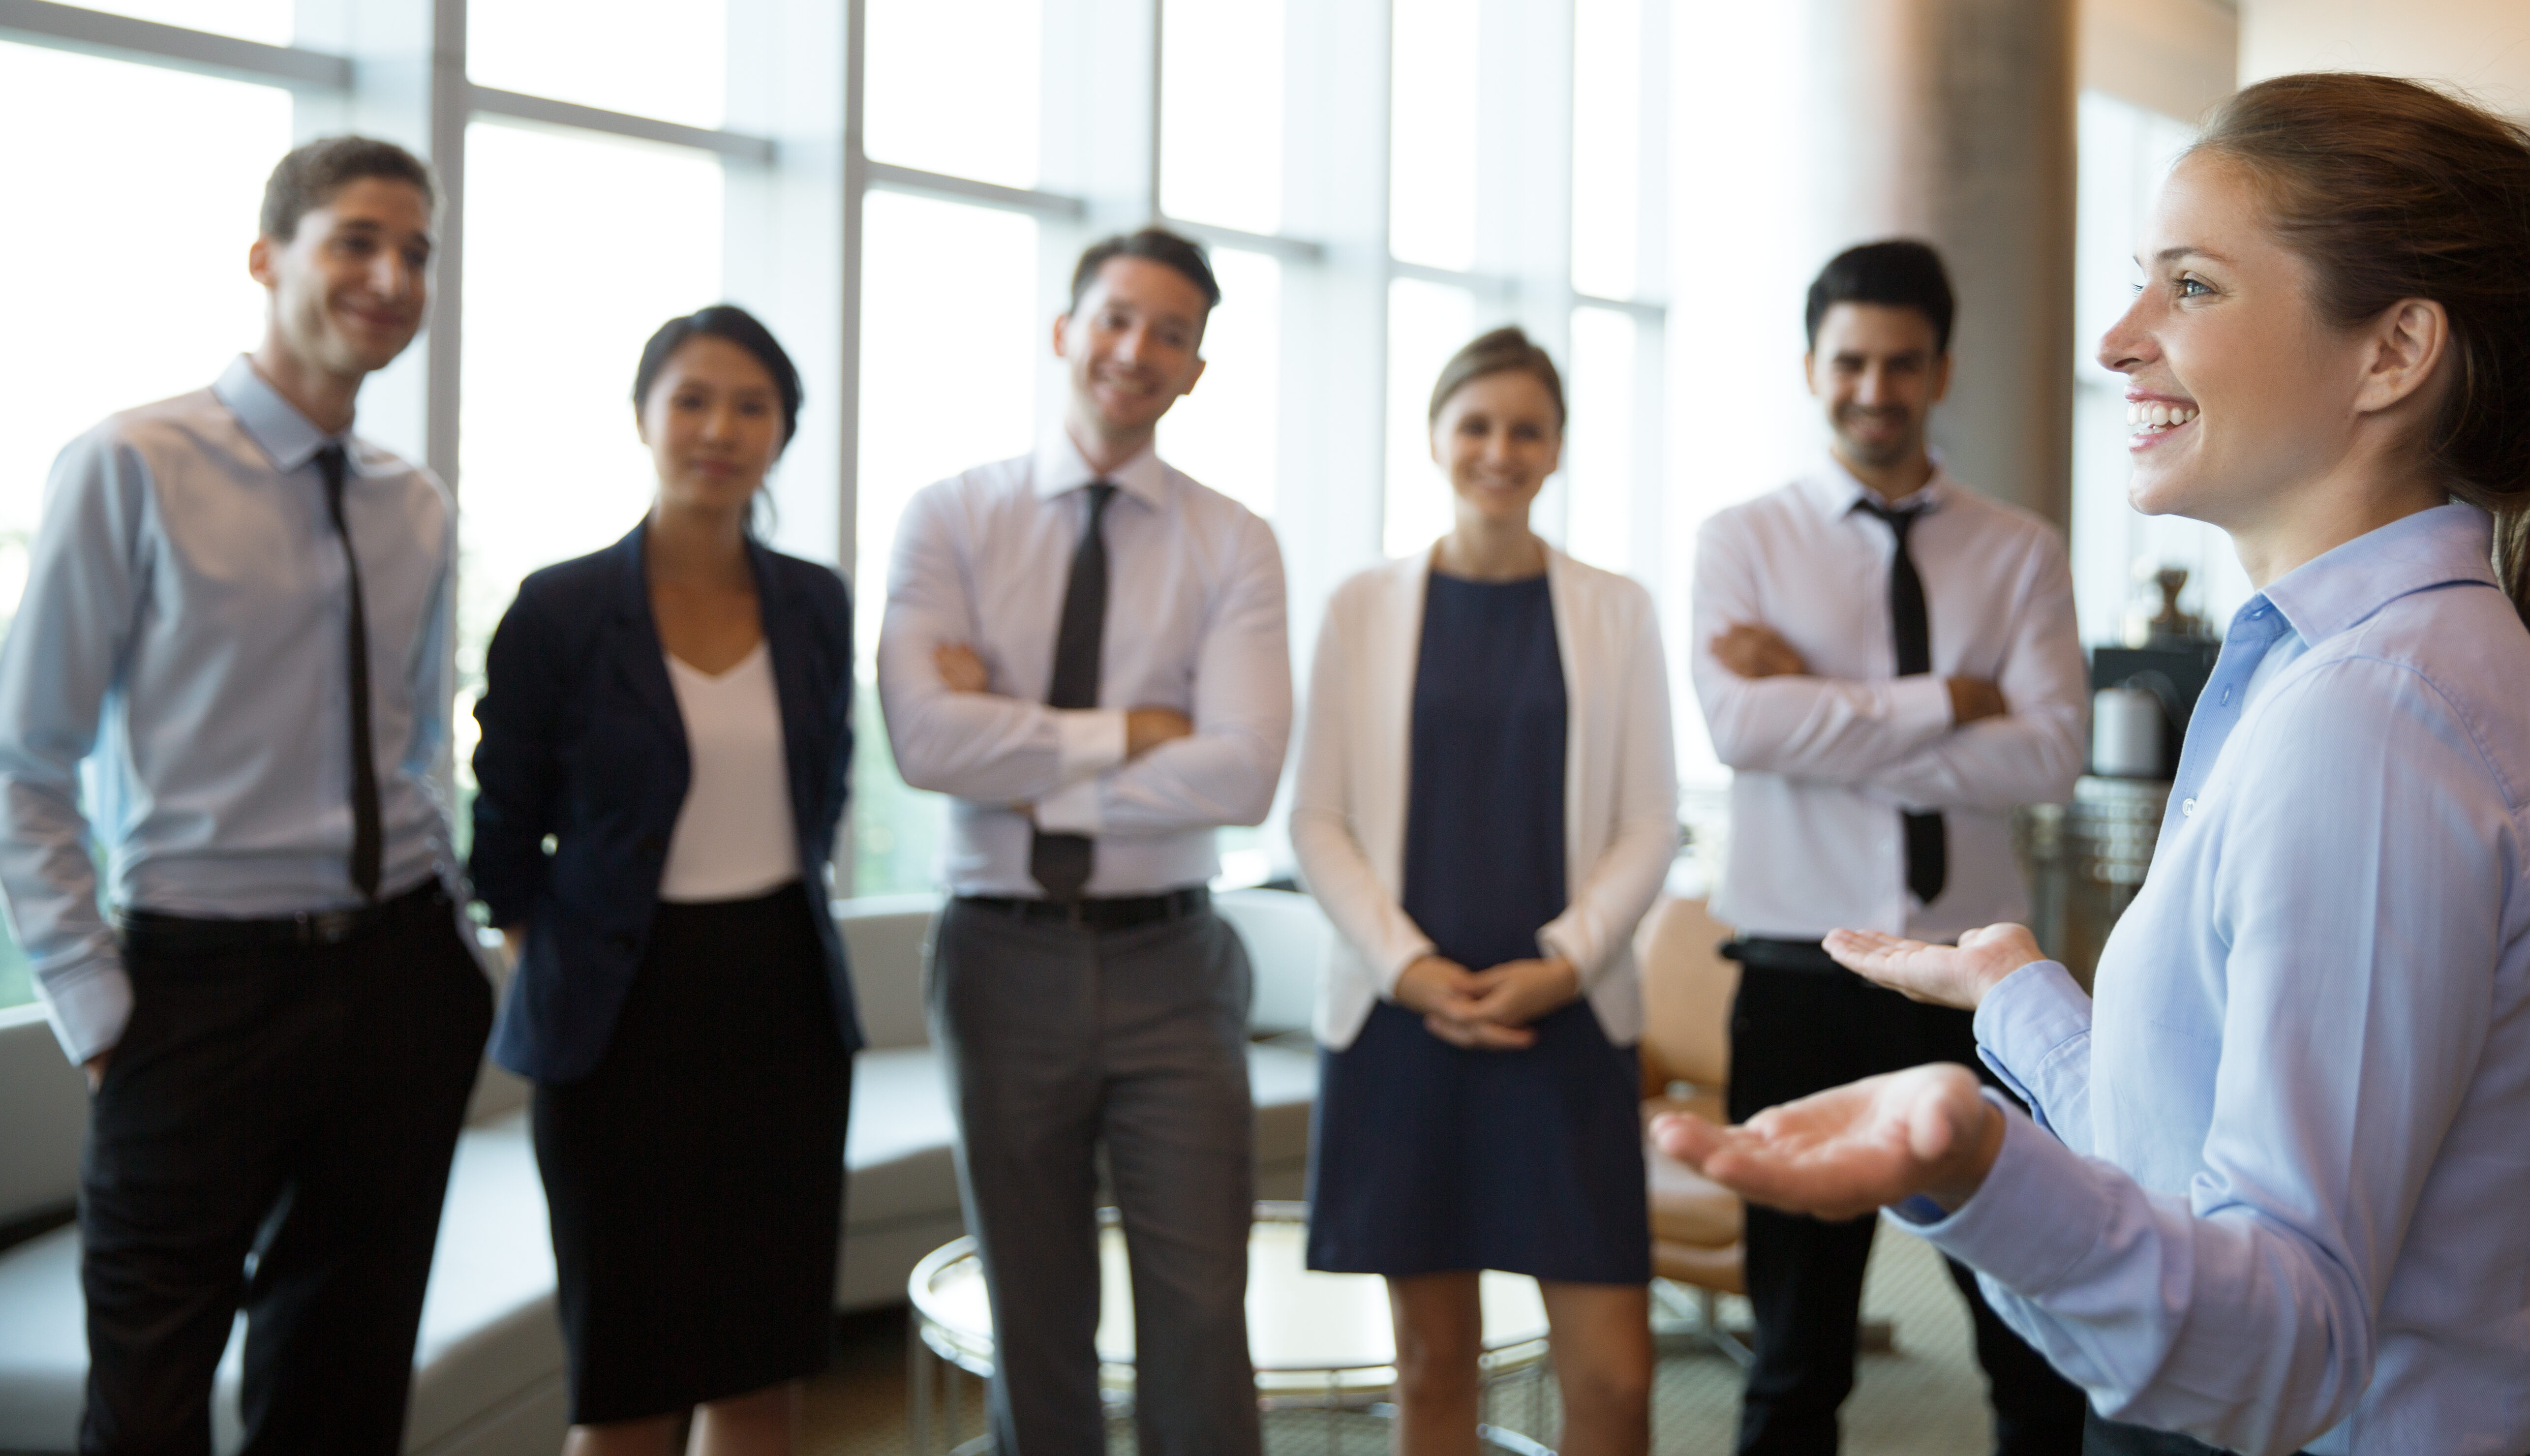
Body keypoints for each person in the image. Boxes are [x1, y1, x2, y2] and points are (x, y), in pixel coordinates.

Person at [1658, 73, 2530, 1456]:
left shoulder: (2375, 720)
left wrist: (1983, 1171)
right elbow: (2197, 1166)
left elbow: (2285, 1346)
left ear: (2392, 352)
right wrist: (2019, 998)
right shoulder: (2337, 668)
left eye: (2193, 288)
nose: (2118, 339)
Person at [0, 137, 493, 1454]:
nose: (391, 276)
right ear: (268, 257)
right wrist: (102, 1015)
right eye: (355, 241)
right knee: (150, 1405)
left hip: (395, 976)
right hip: (194, 996)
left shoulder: (416, 506)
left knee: (343, 1394)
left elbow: (411, 753)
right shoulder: (131, 462)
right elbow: (26, 765)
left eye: (418, 252)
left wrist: (449, 948)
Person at [878, 227, 1292, 1456]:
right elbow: (924, 747)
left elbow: (1246, 772)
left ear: (1197, 369)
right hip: (1000, 959)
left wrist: (1025, 755)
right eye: (1116, 318)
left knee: (1201, 1309)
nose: (1137, 350)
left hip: (1173, 959)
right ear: (1065, 331)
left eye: (1172, 333)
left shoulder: (1233, 542)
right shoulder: (952, 518)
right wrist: (1134, 735)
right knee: (1034, 1309)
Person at [1690, 239, 2090, 1456]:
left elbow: (2048, 756)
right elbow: (1738, 727)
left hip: (1972, 985)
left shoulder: (2018, 549)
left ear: (1942, 371)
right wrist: (1939, 701)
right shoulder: (1743, 539)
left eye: (1902, 363)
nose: (1876, 388)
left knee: (2029, 1336)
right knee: (1795, 1355)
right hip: (1798, 981)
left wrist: (1819, 697)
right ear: (1812, 367)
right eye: (1851, 361)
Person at [467, 305, 862, 1454]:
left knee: (763, 1368)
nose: (719, 428)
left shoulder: (814, 604)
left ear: (783, 430)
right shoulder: (561, 608)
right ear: (643, 415)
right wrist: (542, 950)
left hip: (782, 1002)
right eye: (691, 398)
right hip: (615, 1017)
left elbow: (824, 784)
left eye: (751, 405)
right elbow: (502, 822)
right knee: (630, 1376)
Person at [1292, 327, 1680, 1456]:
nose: (1499, 451)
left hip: (1567, 1021)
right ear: (1435, 437)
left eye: (1527, 430)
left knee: (1612, 1379)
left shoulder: (1619, 610)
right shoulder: (1359, 608)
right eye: (1476, 425)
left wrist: (1566, 962)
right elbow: (1315, 819)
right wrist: (1406, 971)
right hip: (1400, 1024)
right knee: (1430, 1365)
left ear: (1556, 449)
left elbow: (1652, 822)